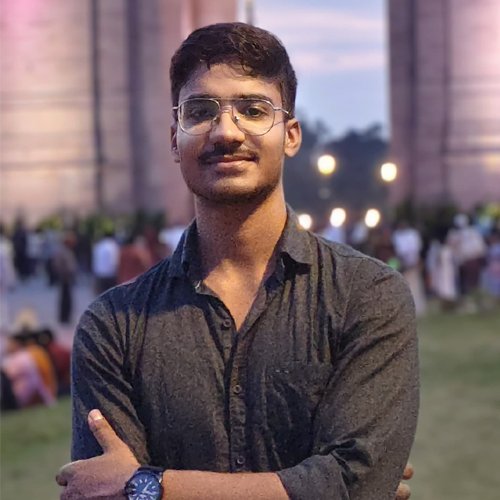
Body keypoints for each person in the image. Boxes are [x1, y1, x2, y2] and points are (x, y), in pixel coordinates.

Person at [57, 22, 419, 500]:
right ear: (174, 138)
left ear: (291, 135)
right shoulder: (113, 327)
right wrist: (320, 485)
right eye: (200, 111)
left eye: (253, 109)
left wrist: (147, 485)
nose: (226, 132)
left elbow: (356, 482)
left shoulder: (367, 295)